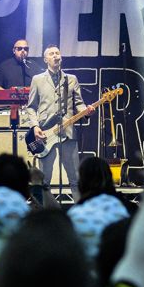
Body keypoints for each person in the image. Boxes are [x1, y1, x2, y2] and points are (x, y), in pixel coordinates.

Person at [21, 45, 93, 202]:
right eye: (52, 54)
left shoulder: (71, 79)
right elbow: (31, 107)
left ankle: (80, 212)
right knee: (44, 179)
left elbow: (79, 103)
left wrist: (86, 111)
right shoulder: (37, 80)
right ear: (46, 59)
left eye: (57, 53)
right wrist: (35, 127)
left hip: (68, 132)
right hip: (46, 133)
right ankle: (44, 213)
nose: (56, 56)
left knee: (74, 178)